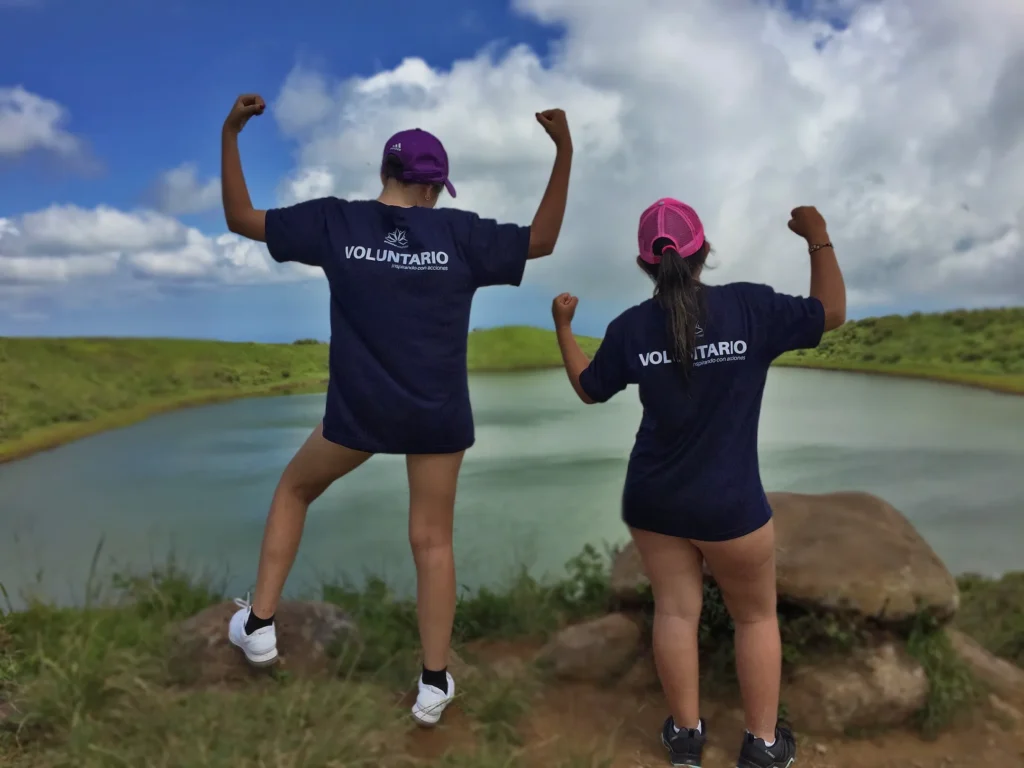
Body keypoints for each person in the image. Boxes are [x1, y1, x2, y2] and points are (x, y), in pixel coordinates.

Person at [218, 93, 573, 727]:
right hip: (436, 417)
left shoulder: (337, 222)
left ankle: (261, 624)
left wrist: (231, 133)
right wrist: (564, 151)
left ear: (385, 174)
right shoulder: (460, 235)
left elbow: (241, 217)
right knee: (432, 542)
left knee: (295, 490)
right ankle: (433, 685)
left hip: (358, 415)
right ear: (435, 188)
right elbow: (541, 240)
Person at [551, 198, 845, 768]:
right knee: (755, 617)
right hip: (730, 506)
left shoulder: (632, 326)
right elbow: (829, 311)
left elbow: (588, 388)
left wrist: (563, 327)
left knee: (676, 613)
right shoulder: (748, 307)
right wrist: (817, 236)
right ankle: (761, 746)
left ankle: (685, 738)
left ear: (645, 265)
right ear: (703, 251)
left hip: (654, 500)